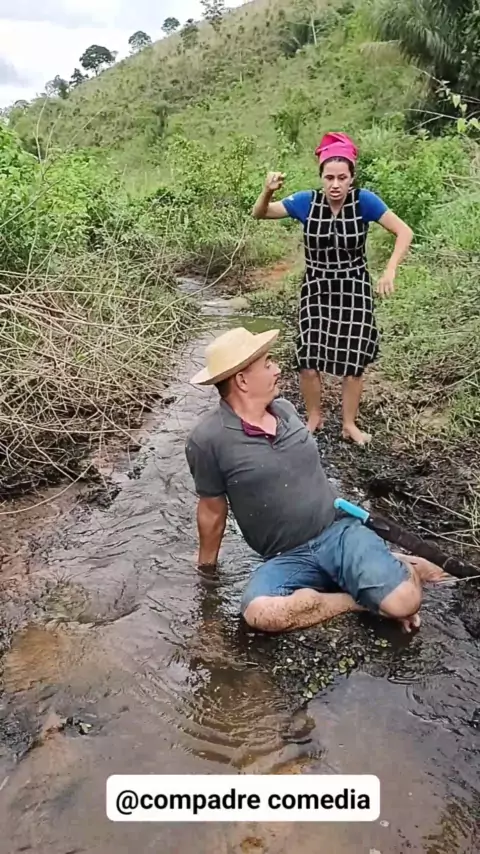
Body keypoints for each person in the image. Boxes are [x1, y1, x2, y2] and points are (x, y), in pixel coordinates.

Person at [185, 326, 446, 635]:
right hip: (285, 558)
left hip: (338, 532)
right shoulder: (207, 440)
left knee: (404, 602)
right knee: (261, 614)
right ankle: (358, 599)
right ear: (241, 380)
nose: (277, 369)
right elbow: (212, 511)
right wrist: (206, 573)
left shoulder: (285, 410)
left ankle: (384, 569)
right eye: (267, 364)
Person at [251, 131, 414, 445]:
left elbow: (404, 232)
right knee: (308, 356)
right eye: (329, 177)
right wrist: (267, 191)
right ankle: (314, 417)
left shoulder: (364, 201)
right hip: (316, 286)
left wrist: (390, 269)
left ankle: (349, 424)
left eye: (342, 177)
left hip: (354, 288)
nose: (335, 184)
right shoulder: (306, 202)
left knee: (354, 360)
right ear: (321, 177)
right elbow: (261, 213)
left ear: (352, 178)